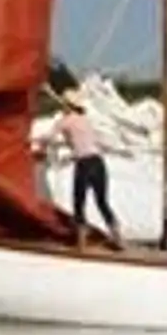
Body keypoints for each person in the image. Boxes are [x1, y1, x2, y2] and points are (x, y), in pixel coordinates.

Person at [50, 88, 121, 249]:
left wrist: (35, 143)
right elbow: (85, 140)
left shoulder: (65, 121)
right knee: (102, 201)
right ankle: (117, 235)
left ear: (68, 106)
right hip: (98, 162)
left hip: (84, 164)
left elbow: (50, 138)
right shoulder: (85, 119)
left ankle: (81, 242)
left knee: (79, 202)